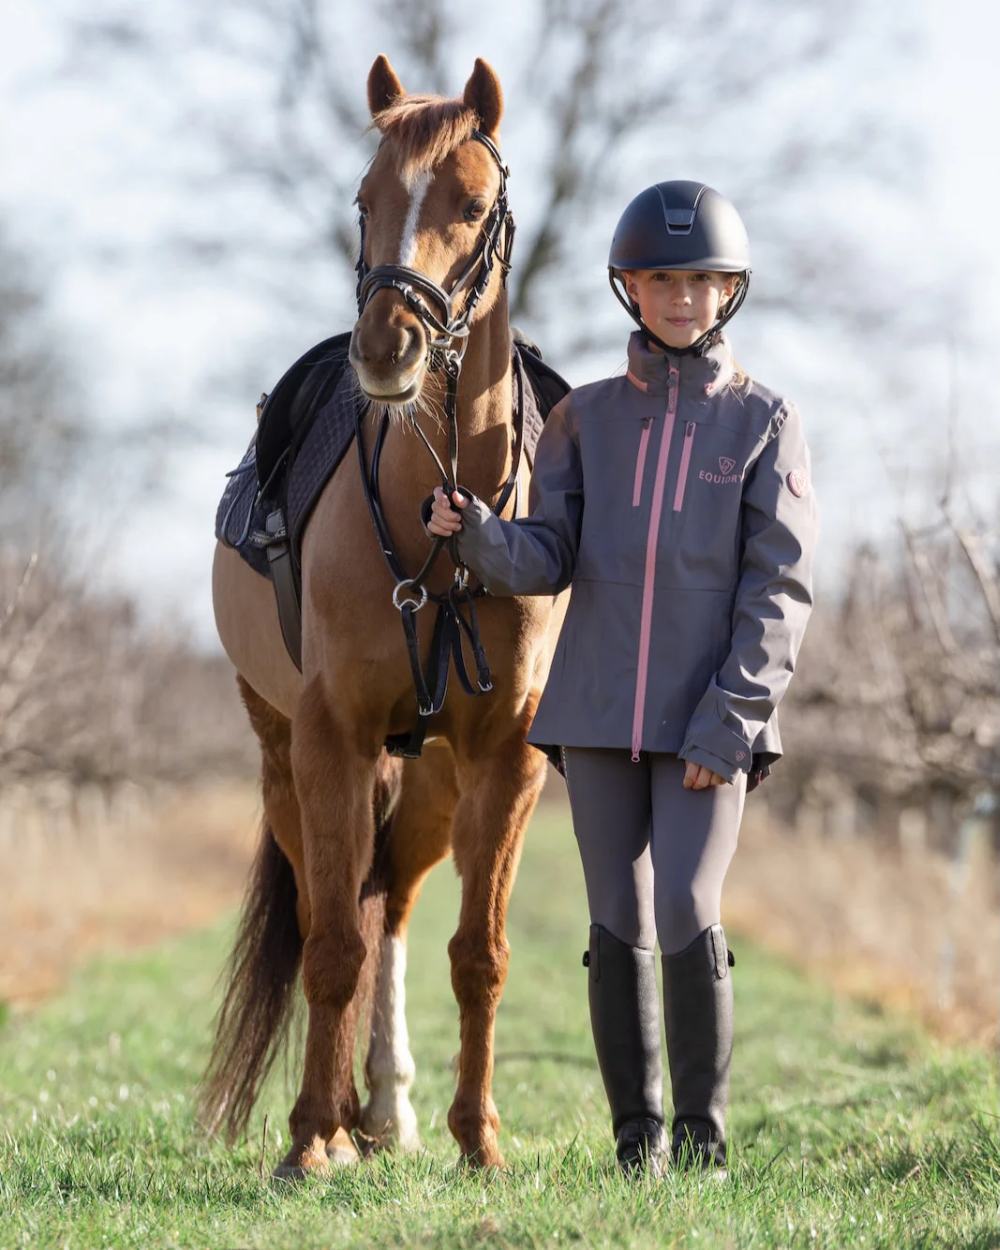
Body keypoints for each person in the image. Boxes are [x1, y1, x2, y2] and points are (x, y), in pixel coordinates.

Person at [424, 181, 819, 1179]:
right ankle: (636, 1140)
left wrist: (729, 721)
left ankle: (703, 1139)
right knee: (616, 917)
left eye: (700, 280)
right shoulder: (583, 420)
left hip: (705, 724)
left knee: (687, 903)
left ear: (727, 290)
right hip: (597, 715)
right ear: (628, 288)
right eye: (660, 279)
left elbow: (781, 591)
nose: (680, 297)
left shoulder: (766, 422)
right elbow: (544, 554)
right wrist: (473, 531)